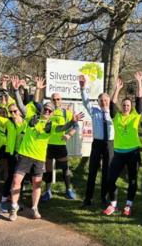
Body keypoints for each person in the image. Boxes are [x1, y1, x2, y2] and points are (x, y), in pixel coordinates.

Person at [8, 77, 84, 221]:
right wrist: (16, 90)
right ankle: (14, 208)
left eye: (50, 110)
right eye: (46, 108)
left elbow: (63, 127)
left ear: (52, 112)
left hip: (39, 157)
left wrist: (72, 122)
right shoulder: (31, 117)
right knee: (16, 181)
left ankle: (35, 208)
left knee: (37, 184)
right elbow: (20, 105)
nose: (48, 111)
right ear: (42, 109)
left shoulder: (52, 126)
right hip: (25, 155)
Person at [102, 72, 142, 216]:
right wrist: (117, 89)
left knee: (132, 180)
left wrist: (139, 82)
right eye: (124, 105)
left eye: (128, 105)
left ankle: (128, 205)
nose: (126, 107)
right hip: (119, 153)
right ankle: (113, 204)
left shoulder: (135, 115)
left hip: (133, 153)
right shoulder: (117, 117)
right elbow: (112, 104)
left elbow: (139, 99)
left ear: (131, 107)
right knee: (111, 179)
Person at [79, 75, 114, 207]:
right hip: (97, 143)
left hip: (109, 144)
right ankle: (88, 199)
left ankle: (104, 198)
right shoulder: (94, 111)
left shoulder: (114, 113)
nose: (104, 102)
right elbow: (85, 101)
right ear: (98, 102)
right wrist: (83, 87)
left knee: (107, 172)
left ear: (109, 101)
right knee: (92, 171)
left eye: (106, 100)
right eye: (101, 100)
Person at [41, 92, 78, 202]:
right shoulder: (47, 112)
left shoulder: (66, 113)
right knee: (48, 170)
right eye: (54, 99)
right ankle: (48, 191)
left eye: (58, 99)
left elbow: (75, 125)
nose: (56, 101)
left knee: (65, 169)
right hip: (47, 144)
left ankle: (68, 189)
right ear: (51, 100)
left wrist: (69, 134)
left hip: (60, 145)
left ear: (61, 100)